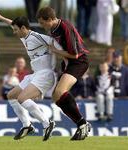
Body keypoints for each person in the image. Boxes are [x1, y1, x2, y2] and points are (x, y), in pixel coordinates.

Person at [0, 9, 62, 141]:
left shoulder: (36, 36)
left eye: (16, 30)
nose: (14, 32)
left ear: (23, 28)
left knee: (22, 98)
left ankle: (47, 123)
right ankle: (27, 125)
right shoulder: (24, 37)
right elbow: (13, 23)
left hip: (46, 74)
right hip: (36, 74)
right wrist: (0, 17)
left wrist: (60, 54)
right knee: (11, 95)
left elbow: (55, 42)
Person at [36, 6, 91, 140]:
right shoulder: (53, 29)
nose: (42, 26)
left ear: (49, 19)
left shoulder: (65, 26)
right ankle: (81, 124)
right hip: (68, 63)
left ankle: (83, 124)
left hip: (79, 62)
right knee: (56, 97)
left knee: (60, 92)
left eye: (43, 23)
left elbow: (75, 54)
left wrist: (54, 50)